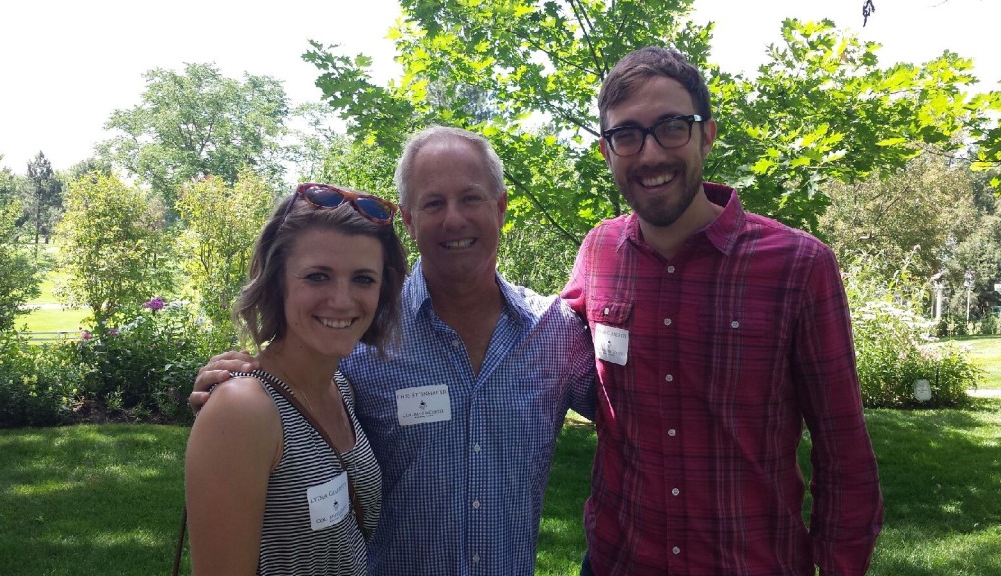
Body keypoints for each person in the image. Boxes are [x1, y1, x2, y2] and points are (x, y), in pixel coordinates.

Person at [191, 126, 597, 575]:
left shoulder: (556, 333)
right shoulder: (362, 335)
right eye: (433, 203)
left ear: (500, 207)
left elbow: (637, 415)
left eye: (471, 198)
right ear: (408, 218)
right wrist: (239, 386)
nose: (454, 219)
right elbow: (289, 380)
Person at [562, 47, 885, 575]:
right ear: (607, 150)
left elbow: (845, 455)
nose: (648, 155)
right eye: (627, 134)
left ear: (706, 134)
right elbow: (537, 342)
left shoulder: (800, 266)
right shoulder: (598, 252)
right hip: (618, 562)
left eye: (671, 127)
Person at [184, 183, 407, 575]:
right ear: (277, 282)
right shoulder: (244, 410)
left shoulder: (341, 389)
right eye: (318, 276)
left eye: (363, 279)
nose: (341, 299)